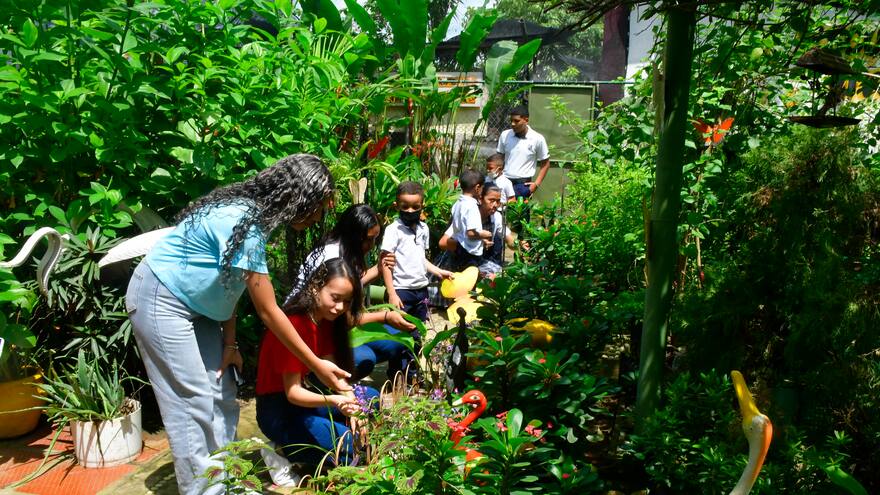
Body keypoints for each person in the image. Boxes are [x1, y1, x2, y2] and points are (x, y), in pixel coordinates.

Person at [125, 154, 350, 495]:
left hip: (199, 310)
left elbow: (230, 286)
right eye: (317, 205)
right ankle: (205, 491)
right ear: (297, 196)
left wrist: (229, 346)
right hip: (162, 299)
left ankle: (227, 477)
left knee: (222, 393)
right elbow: (268, 310)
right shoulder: (241, 221)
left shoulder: (256, 222)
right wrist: (316, 365)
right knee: (193, 401)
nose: (319, 214)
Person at [256, 257, 377, 467]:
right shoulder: (295, 325)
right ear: (314, 288)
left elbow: (335, 376)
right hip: (279, 411)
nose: (340, 307)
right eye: (335, 298)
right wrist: (336, 401)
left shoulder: (326, 320)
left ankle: (303, 442)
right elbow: (293, 393)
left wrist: (354, 405)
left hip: (302, 406)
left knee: (371, 399)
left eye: (347, 301)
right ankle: (282, 451)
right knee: (351, 450)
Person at [284, 204, 417, 381]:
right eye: (368, 239)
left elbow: (352, 286)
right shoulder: (333, 257)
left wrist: (379, 269)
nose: (371, 245)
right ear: (353, 235)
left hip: (332, 325)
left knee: (395, 340)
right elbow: (341, 315)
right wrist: (384, 316)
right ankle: (319, 379)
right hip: (310, 332)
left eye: (375, 239)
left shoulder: (345, 250)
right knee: (364, 359)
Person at [381, 181, 454, 322]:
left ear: (422, 206)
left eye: (415, 207)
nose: (410, 211)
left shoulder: (424, 229)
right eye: (405, 206)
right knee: (399, 330)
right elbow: (385, 263)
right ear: (396, 206)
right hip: (401, 289)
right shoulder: (393, 230)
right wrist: (392, 293)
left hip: (422, 289)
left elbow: (421, 259)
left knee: (419, 330)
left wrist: (439, 272)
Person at [439, 183, 515, 277]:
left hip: (476, 262)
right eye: (491, 200)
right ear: (480, 199)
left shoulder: (496, 217)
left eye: (498, 201)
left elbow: (510, 240)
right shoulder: (467, 214)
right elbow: (443, 243)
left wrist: (519, 245)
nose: (495, 205)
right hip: (455, 263)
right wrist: (476, 244)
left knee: (498, 277)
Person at [496, 105, 550, 200]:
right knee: (501, 213)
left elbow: (545, 163)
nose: (512, 124)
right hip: (504, 181)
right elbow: (498, 158)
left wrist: (536, 185)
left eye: (516, 121)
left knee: (520, 214)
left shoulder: (537, 139)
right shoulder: (505, 135)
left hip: (523, 185)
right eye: (511, 121)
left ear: (526, 120)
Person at [449, 169, 493, 271]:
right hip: (470, 253)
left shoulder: (458, 203)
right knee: (470, 280)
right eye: (482, 188)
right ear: (477, 188)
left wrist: (481, 241)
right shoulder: (471, 206)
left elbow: (462, 231)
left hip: (459, 248)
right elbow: (470, 233)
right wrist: (485, 234)